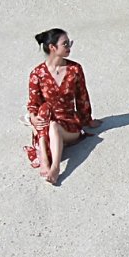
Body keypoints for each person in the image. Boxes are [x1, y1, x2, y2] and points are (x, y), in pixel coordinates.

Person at [25, 28, 94, 185]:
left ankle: (54, 167)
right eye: (65, 44)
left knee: (54, 125)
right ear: (52, 48)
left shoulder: (74, 69)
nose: (69, 46)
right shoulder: (37, 74)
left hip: (69, 124)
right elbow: (33, 103)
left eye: (69, 43)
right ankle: (44, 157)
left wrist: (88, 119)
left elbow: (82, 96)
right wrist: (33, 117)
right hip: (46, 122)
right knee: (44, 110)